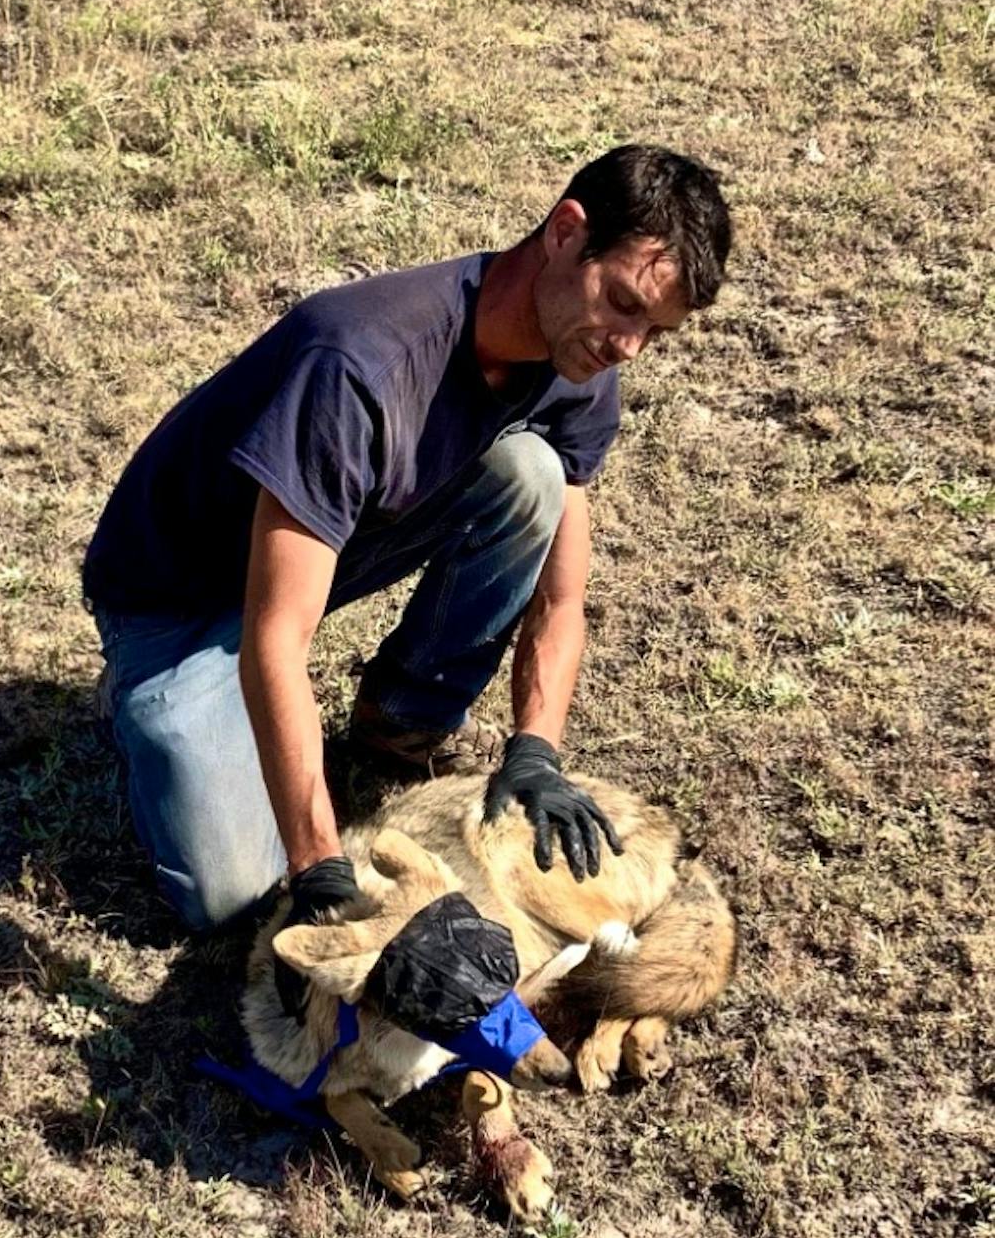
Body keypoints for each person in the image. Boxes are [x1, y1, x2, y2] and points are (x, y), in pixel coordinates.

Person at [82, 145, 732, 951]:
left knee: (532, 473)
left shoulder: (580, 358)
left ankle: (399, 723)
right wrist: (318, 861)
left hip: (329, 551)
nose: (628, 346)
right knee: (231, 895)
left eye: (654, 332)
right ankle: (146, 699)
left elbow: (563, 599)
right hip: (176, 598)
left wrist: (536, 751)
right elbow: (276, 635)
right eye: (625, 303)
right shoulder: (360, 361)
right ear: (568, 232)